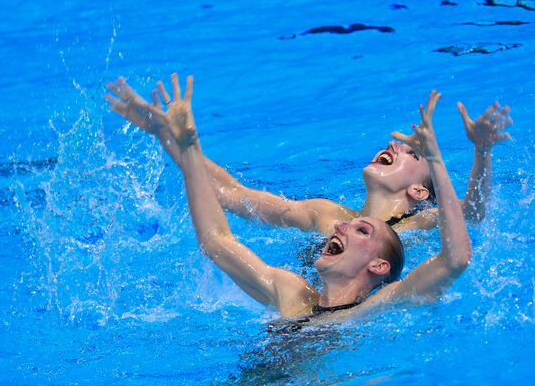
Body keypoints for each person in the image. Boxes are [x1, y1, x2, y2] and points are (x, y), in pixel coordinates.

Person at [105, 75, 471, 321]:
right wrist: (182, 142)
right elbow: (217, 240)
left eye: (360, 231)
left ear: (379, 267)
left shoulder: (375, 308)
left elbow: (455, 258)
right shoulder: (293, 292)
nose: (340, 225)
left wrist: (442, 160)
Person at [105, 77, 512, 238]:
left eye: (411, 152)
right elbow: (231, 193)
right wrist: (168, 137)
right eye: (396, 143)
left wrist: (482, 151)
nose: (394, 146)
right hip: (298, 317)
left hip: (351, 332)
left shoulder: (420, 221)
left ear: (421, 189)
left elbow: (472, 213)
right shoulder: (323, 214)